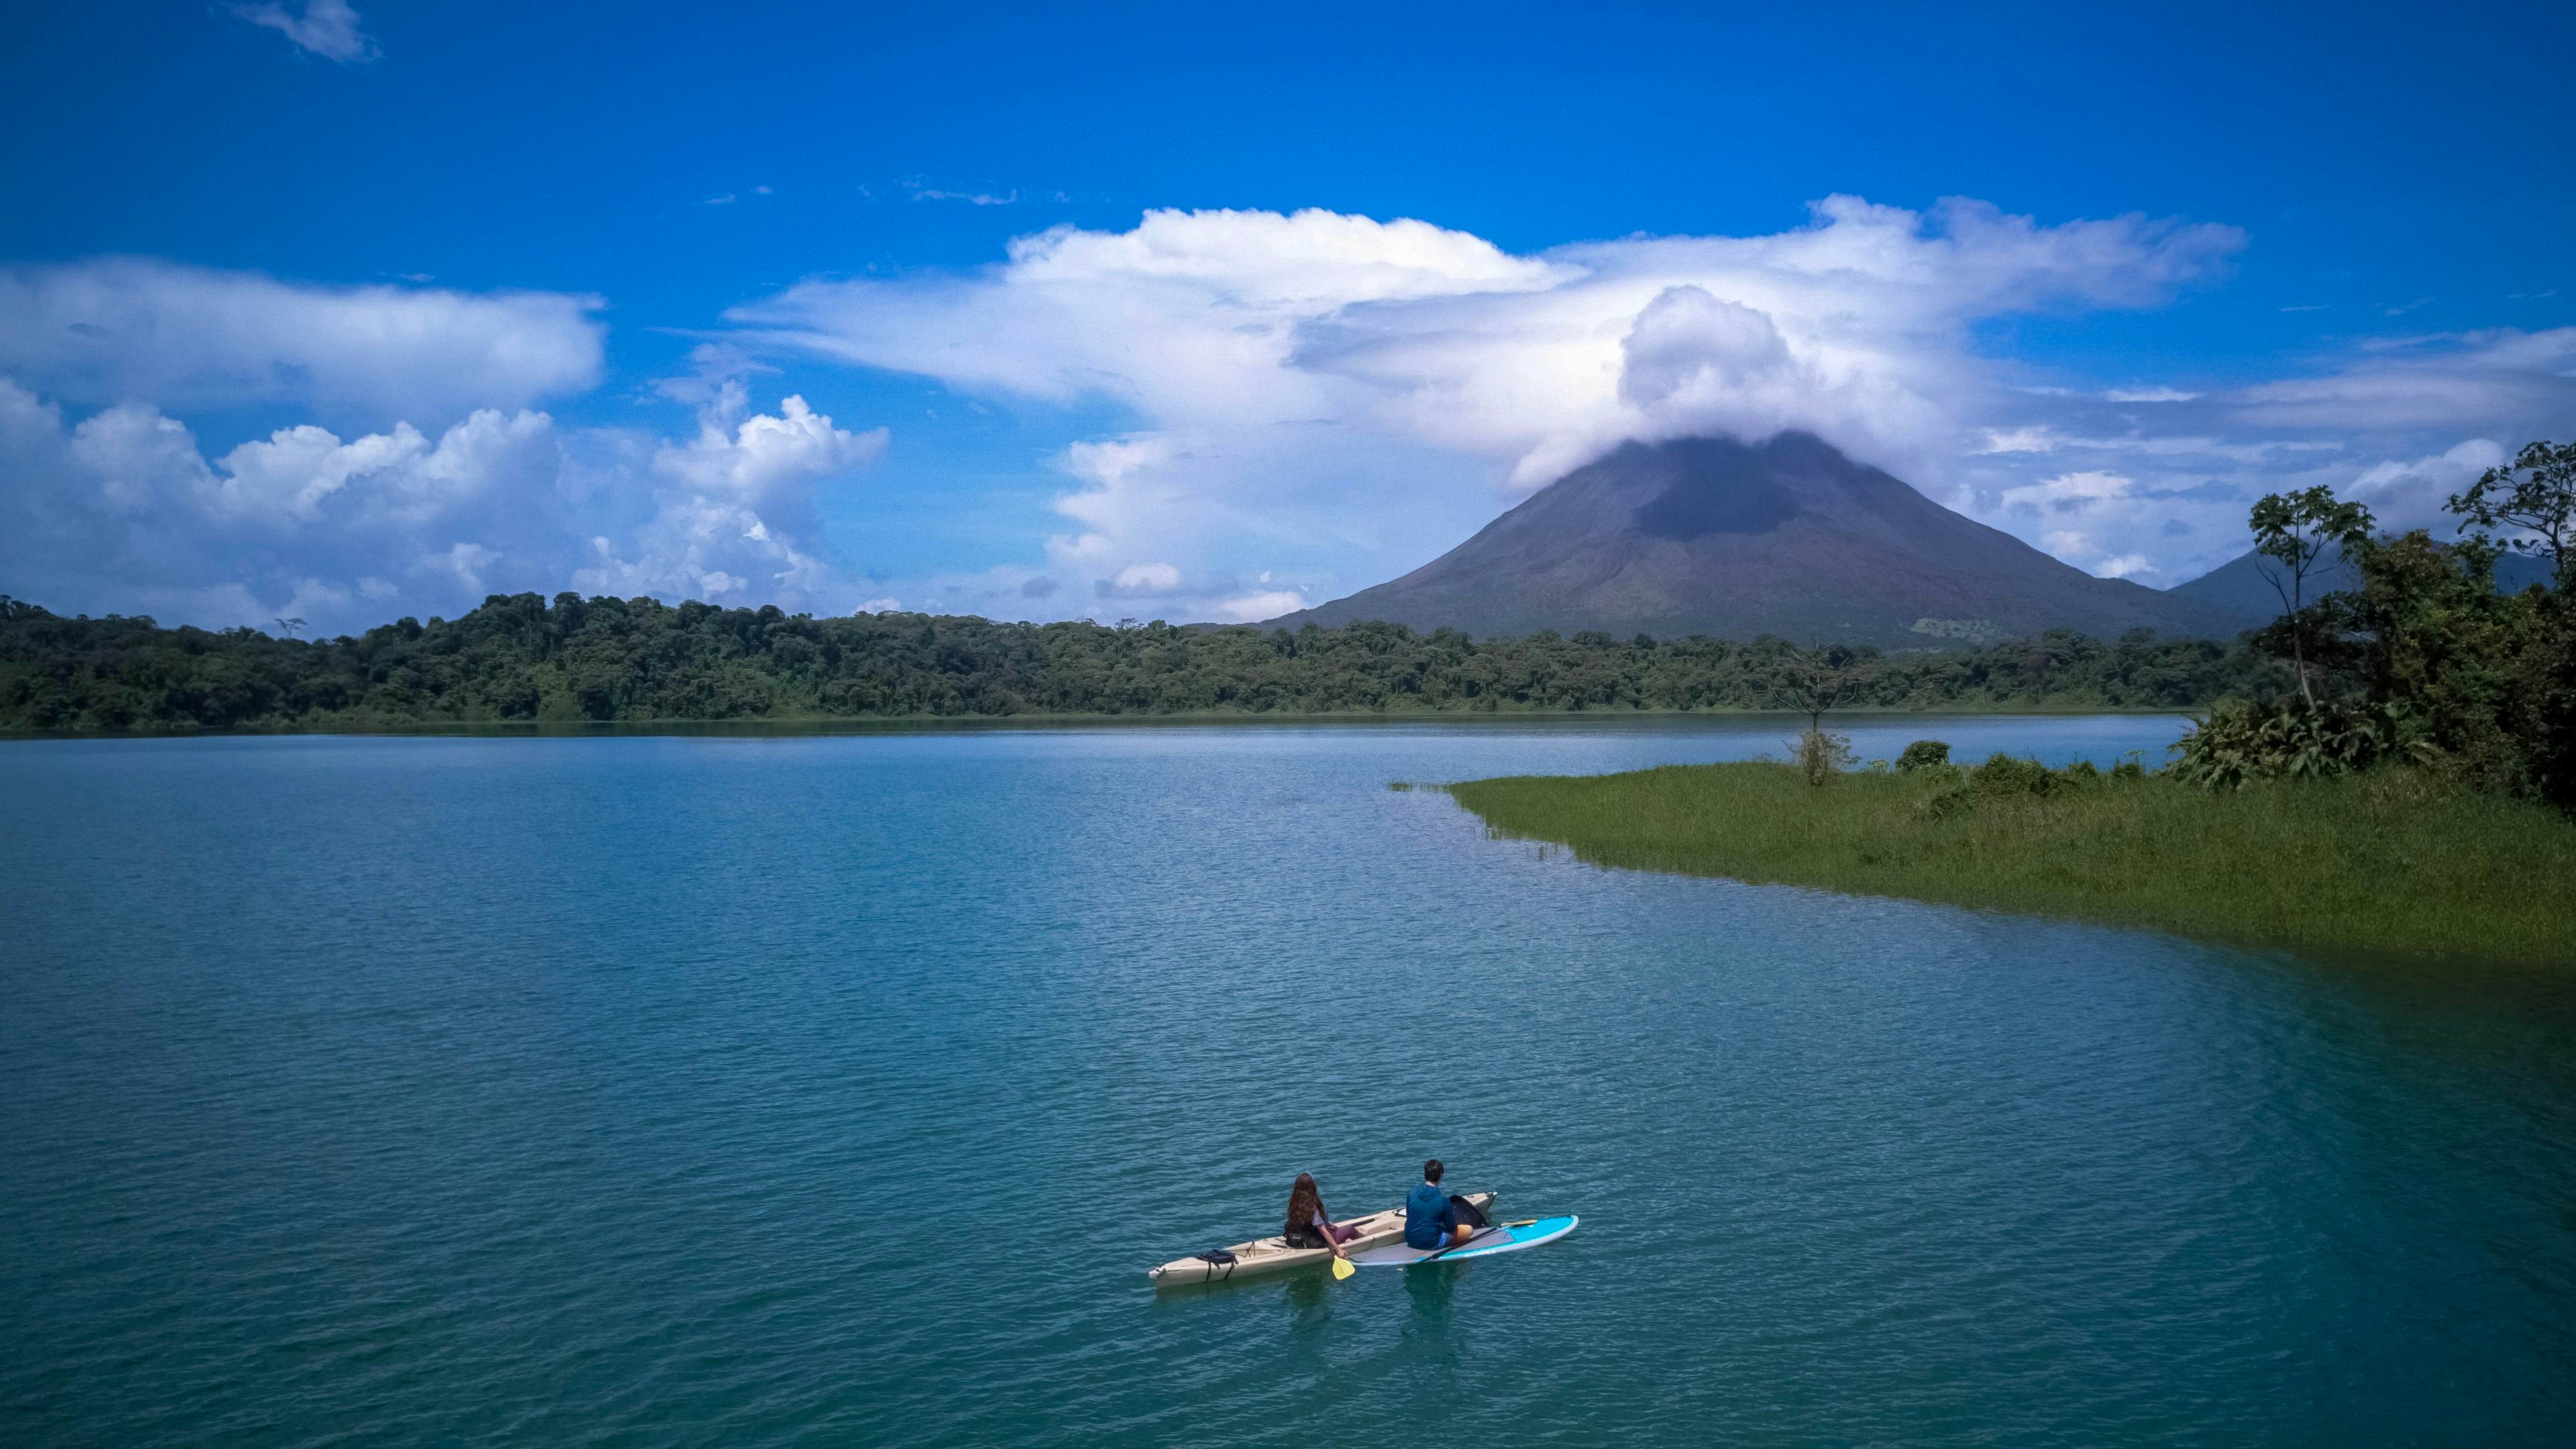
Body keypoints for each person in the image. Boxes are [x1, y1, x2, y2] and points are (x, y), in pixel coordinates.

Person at [1283, 1172, 1360, 1257]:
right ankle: (1362, 1242)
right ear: (1312, 1187)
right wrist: (1338, 1250)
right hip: (1318, 1239)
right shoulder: (1312, 1206)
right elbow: (1323, 1231)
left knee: (1335, 1228)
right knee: (1350, 1229)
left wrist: (1326, 1221)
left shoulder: (1294, 1203)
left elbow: (1305, 1221)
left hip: (1302, 1235)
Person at [1404, 1159, 1475, 1251]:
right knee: (1469, 1230)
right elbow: (1452, 1228)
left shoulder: (1411, 1192)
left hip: (1410, 1240)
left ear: (1424, 1173)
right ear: (1441, 1174)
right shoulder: (1443, 1200)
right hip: (1431, 1243)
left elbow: (1410, 1216)